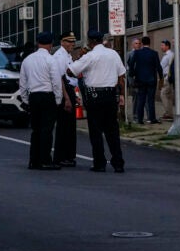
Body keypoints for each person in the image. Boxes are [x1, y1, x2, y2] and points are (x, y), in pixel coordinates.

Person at [68, 29, 127, 173]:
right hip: (110, 95)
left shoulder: (90, 56)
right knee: (112, 131)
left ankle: (99, 163)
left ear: (91, 41)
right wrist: (121, 95)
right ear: (101, 40)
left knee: (96, 131)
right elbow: (121, 76)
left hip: (94, 96)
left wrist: (80, 55)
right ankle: (118, 162)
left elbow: (71, 71)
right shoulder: (113, 54)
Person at [18, 32, 63, 170]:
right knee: (47, 130)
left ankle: (33, 160)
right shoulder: (51, 60)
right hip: (47, 96)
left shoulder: (27, 60)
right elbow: (56, 81)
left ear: (38, 43)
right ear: (50, 45)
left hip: (33, 96)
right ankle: (45, 160)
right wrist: (58, 99)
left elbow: (23, 82)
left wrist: (25, 99)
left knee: (35, 130)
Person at [52, 31, 78, 167]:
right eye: (69, 41)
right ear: (62, 42)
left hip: (70, 90)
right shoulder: (59, 56)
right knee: (64, 126)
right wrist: (67, 98)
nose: (72, 44)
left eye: (73, 41)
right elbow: (60, 78)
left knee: (70, 126)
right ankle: (61, 156)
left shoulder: (67, 55)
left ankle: (68, 155)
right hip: (64, 92)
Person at [130, 36, 163, 124]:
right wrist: (161, 77)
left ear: (142, 43)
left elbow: (131, 64)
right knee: (151, 100)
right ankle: (152, 118)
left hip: (140, 79)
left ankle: (140, 119)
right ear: (150, 43)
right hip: (151, 80)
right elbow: (158, 67)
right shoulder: (154, 53)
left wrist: (132, 75)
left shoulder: (137, 53)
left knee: (141, 99)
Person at [126, 37, 141, 121]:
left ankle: (141, 114)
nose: (138, 45)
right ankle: (135, 114)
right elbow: (126, 66)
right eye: (136, 43)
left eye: (139, 43)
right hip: (133, 78)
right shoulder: (129, 54)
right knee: (135, 95)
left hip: (141, 77)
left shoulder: (142, 53)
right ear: (132, 44)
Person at [159, 40, 175, 121]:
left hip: (166, 78)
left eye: (162, 45)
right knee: (169, 96)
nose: (161, 47)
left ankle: (168, 113)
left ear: (167, 46)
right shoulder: (172, 54)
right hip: (170, 78)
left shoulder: (167, 56)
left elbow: (160, 67)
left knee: (163, 94)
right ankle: (169, 113)